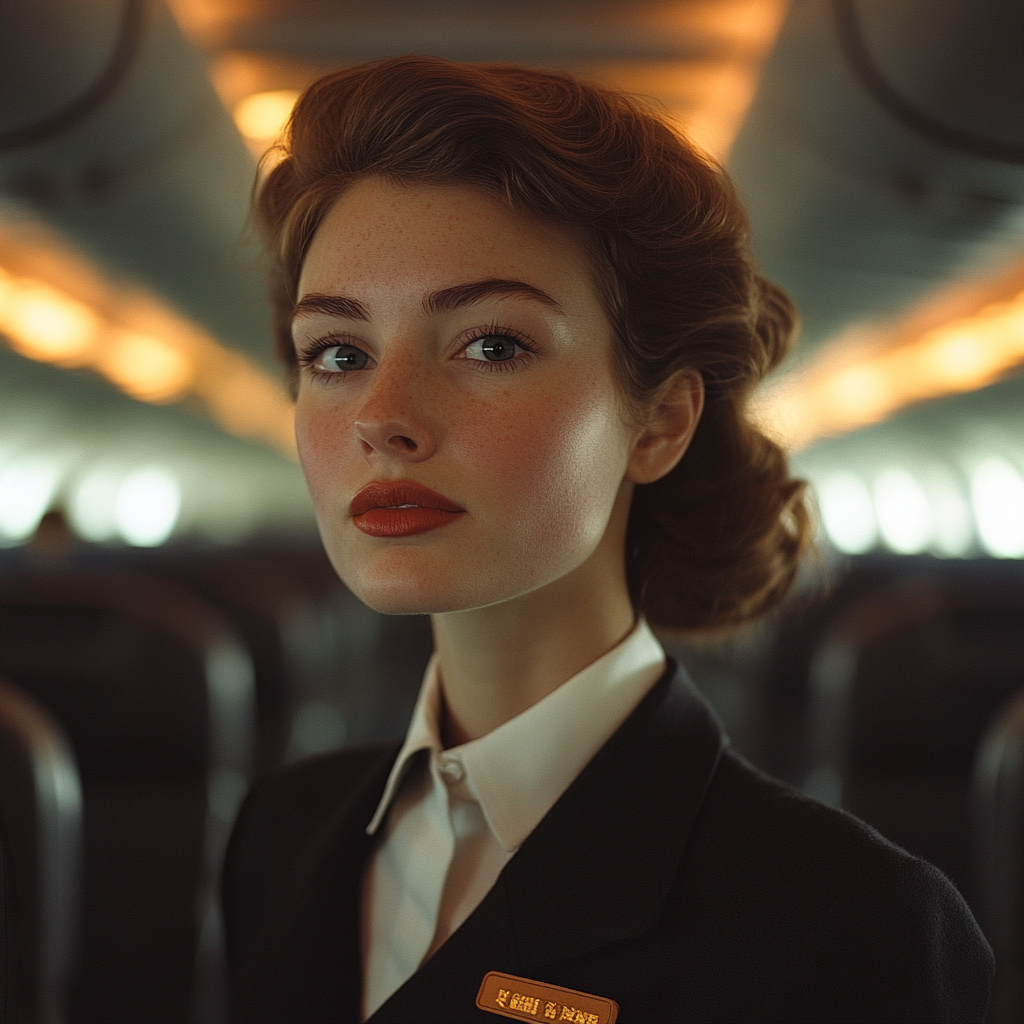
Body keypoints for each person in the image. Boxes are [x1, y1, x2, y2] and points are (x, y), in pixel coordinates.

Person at [222, 56, 993, 1023]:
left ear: (659, 422)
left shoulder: (850, 927)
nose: (383, 416)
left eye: (490, 344)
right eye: (338, 353)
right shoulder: (283, 832)